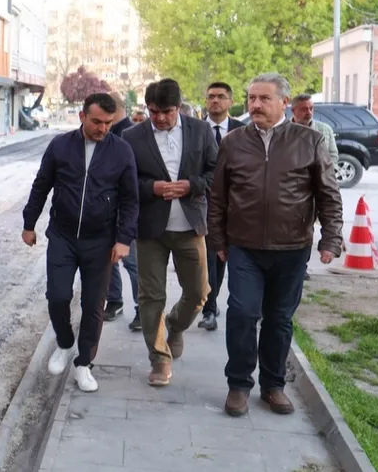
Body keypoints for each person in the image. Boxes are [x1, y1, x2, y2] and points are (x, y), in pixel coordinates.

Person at [208, 73, 343, 417]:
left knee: (279, 319)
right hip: (244, 247)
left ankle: (273, 385)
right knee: (242, 313)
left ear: (284, 102)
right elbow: (218, 196)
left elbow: (328, 194)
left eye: (264, 99)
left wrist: (331, 237)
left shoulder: (310, 140)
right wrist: (218, 239)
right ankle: (239, 384)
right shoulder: (234, 142)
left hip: (291, 248)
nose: (255, 105)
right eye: (251, 98)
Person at [22, 93, 139, 393]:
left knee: (93, 305)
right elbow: (41, 185)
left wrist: (124, 239)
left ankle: (84, 363)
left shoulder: (121, 151)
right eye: (97, 122)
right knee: (57, 296)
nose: (103, 129)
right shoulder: (60, 146)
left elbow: (130, 199)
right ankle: (64, 343)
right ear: (82, 117)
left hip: (101, 241)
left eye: (108, 123)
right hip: (62, 236)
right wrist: (29, 223)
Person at [121, 79, 217, 386]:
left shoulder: (201, 131)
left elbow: (217, 172)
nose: (160, 118)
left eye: (167, 111)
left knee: (199, 293)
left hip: (190, 227)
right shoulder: (132, 137)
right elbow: (124, 182)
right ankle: (159, 359)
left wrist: (192, 185)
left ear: (179, 107)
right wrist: (152, 188)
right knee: (151, 296)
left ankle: (175, 325)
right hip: (150, 231)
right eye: (153, 111)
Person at [198, 81, 246, 332]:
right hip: (204, 203)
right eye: (211, 96)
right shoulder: (195, 130)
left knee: (226, 257)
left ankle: (219, 303)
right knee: (210, 258)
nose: (215, 100)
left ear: (230, 101)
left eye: (220, 96)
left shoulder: (243, 130)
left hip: (237, 205)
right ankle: (209, 308)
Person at [106, 93, 141, 330]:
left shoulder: (131, 135)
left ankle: (142, 308)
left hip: (127, 209)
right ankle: (114, 301)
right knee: (108, 259)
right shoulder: (107, 132)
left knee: (132, 262)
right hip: (106, 208)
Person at [291, 94, 338, 164]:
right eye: (304, 109)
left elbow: (333, 155)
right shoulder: (282, 131)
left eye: (311, 108)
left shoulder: (325, 129)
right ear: (293, 111)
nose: (309, 112)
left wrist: (326, 168)